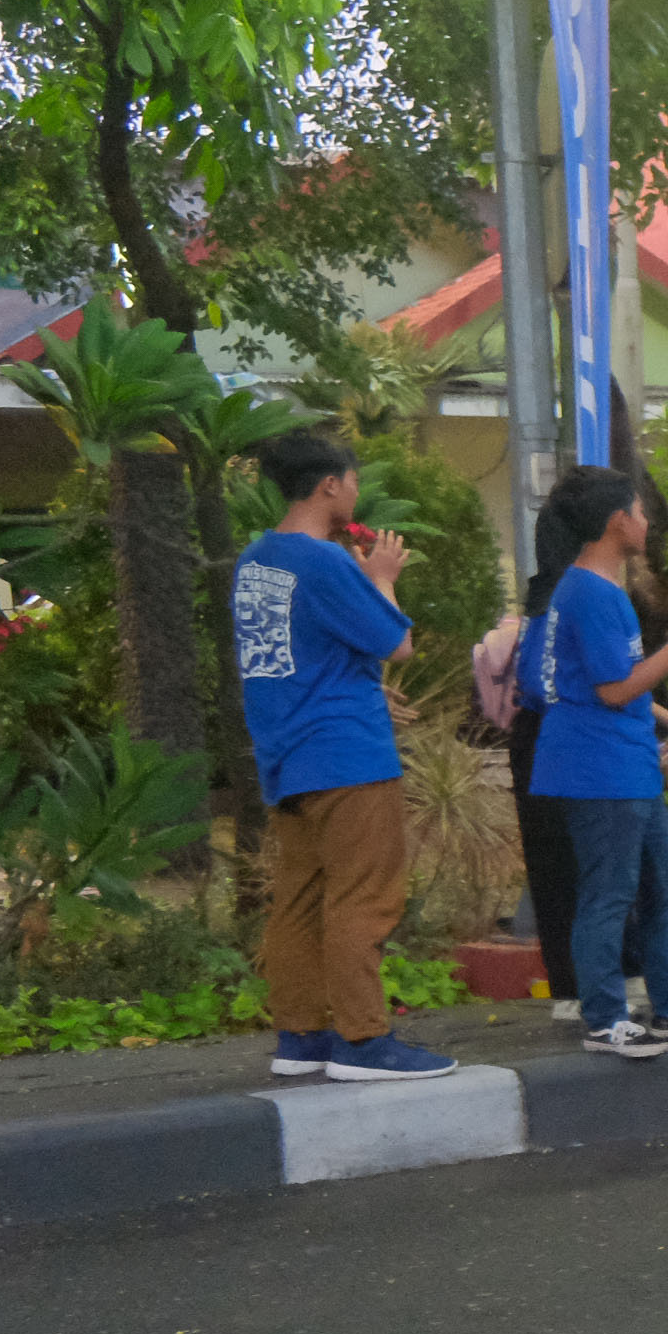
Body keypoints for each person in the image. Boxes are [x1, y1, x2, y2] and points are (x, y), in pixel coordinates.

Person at [231, 429, 452, 1082]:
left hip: (287, 754)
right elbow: (396, 643)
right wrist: (381, 579)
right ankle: (363, 1041)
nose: (355, 492)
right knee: (363, 898)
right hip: (349, 757)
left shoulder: (256, 560)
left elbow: (290, 655)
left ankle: (301, 1037)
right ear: (331, 485)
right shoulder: (324, 561)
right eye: (352, 481)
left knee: (299, 900)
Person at [520, 464, 668, 1059]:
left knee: (663, 885)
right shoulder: (591, 593)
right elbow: (613, 690)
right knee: (608, 894)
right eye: (642, 512)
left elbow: (612, 682)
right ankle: (605, 1019)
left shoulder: (596, 589)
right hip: (599, 769)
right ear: (618, 521)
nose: (649, 522)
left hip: (626, 765)